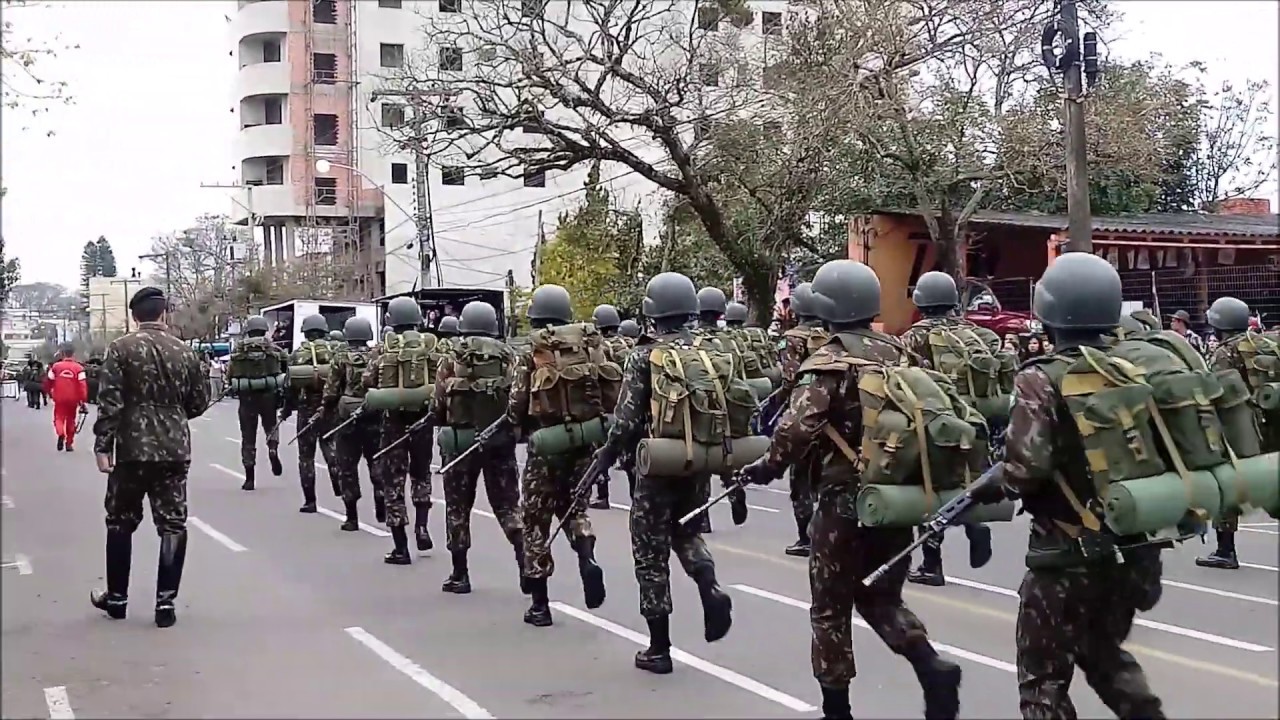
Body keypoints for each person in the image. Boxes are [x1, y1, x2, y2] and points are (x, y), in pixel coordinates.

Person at [737, 260, 961, 720]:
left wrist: (766, 467)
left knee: (830, 608)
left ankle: (837, 710)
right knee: (881, 596)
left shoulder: (828, 362)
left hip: (843, 501)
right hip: (894, 494)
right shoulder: (900, 353)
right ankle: (929, 664)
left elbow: (796, 430)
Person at [984, 253, 1165, 719]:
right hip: (1134, 549)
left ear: (1048, 310)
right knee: (1104, 654)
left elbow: (1026, 469)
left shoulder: (1040, 378)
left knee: (1042, 682)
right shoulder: (1134, 369)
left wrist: (994, 483)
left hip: (1065, 557)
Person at [590, 272, 735, 674]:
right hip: (698, 461)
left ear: (653, 312)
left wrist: (607, 454)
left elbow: (626, 418)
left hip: (657, 465)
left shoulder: (645, 355)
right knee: (687, 532)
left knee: (649, 551)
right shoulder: (711, 351)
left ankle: (659, 648)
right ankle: (708, 581)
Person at [90, 287, 208, 629]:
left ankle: (117, 599)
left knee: (120, 520)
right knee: (173, 523)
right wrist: (171, 414)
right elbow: (199, 402)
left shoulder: (121, 348)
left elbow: (109, 401)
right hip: (174, 447)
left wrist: (103, 446)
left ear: (135, 316)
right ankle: (165, 605)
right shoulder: (185, 352)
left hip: (131, 448)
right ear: (164, 315)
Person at [506, 284, 609, 627]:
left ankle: (540, 605)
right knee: (575, 508)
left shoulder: (532, 349)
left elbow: (518, 400)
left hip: (546, 445)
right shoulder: (589, 343)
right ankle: (586, 555)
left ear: (536, 316)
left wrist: (516, 429)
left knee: (536, 521)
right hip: (585, 441)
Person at [897, 271, 994, 587]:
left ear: (921, 300)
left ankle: (931, 564)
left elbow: (903, 380)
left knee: (932, 489)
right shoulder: (976, 334)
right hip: (979, 421)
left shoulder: (914, 337)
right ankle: (975, 526)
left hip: (940, 422)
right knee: (969, 480)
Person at [433, 301, 527, 594]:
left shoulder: (451, 356)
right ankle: (525, 560)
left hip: (459, 443)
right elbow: (520, 397)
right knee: (509, 506)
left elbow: (437, 402)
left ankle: (460, 574)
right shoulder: (509, 355)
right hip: (499, 442)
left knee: (458, 508)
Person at [363, 297, 439, 564]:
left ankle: (401, 548)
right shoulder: (432, 347)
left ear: (391, 321)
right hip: (423, 421)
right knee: (421, 476)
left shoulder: (384, 350)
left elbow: (368, 380)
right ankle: (422, 526)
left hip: (393, 422)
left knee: (393, 483)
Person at [1197, 296, 1267, 570]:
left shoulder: (1225, 353)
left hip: (1243, 428)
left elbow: (1215, 393)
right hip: (1269, 424)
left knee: (1226, 485)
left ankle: (1226, 551)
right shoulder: (1262, 344)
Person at [774, 282, 826, 557]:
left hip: (804, 414)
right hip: (833, 416)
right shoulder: (832, 335)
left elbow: (789, 379)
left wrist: (780, 404)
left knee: (801, 481)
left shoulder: (792, 338)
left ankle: (806, 537)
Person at [693, 286, 750, 529]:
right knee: (727, 453)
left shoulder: (690, 342)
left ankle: (702, 517)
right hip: (729, 405)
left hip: (703, 406)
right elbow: (742, 375)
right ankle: (734, 486)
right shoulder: (732, 341)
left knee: (702, 461)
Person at [322, 316, 385, 529]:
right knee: (376, 462)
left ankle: (352, 517)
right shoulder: (378, 355)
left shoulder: (341, 357)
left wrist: (328, 412)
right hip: (374, 416)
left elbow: (331, 391)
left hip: (347, 419)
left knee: (347, 467)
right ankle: (380, 498)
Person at [282, 314, 340, 512]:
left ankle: (310, 501)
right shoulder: (335, 351)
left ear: (305, 333)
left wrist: (287, 409)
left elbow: (289, 387)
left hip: (306, 410)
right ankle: (337, 480)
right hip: (329, 408)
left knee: (306, 458)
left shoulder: (297, 354)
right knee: (330, 447)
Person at [227, 316, 287, 490]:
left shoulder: (239, 352)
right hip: (269, 396)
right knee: (271, 427)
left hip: (247, 399)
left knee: (248, 438)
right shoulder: (274, 349)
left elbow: (230, 377)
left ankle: (249, 479)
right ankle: (273, 449)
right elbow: (286, 367)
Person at [589, 303, 627, 509]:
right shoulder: (629, 344)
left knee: (599, 451)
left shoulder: (600, 348)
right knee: (631, 457)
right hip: (629, 406)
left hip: (606, 407)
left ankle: (602, 495)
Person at [44, 343, 88, 451]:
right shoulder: (79, 368)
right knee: (71, 420)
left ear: (63, 354)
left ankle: (61, 433)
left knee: (58, 418)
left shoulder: (56, 367)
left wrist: (48, 392)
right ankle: (69, 443)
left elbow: (49, 381)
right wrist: (83, 400)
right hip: (74, 399)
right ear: (73, 354)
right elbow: (82, 385)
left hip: (59, 397)